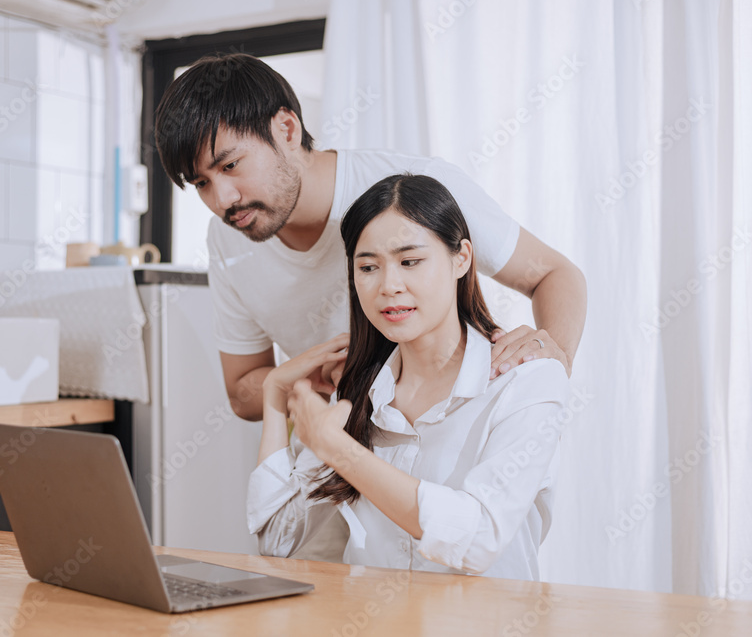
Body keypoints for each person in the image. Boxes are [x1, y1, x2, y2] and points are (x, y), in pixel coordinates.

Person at [154, 52, 585, 560]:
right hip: (345, 436)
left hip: (415, 436)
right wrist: (311, 388)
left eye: (230, 165)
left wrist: (546, 366)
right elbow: (243, 391)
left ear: (287, 129)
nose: (222, 198)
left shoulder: (412, 188)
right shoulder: (227, 241)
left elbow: (555, 275)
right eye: (201, 183)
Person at [247, 174, 569, 581]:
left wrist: (341, 451)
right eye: (368, 267)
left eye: (410, 262)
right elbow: (277, 540)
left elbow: (478, 540)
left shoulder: (525, 382)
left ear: (461, 258)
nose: (389, 286)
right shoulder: (357, 392)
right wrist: (275, 393)